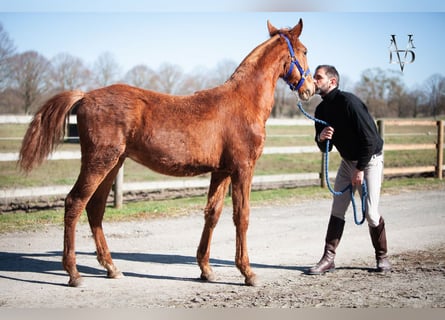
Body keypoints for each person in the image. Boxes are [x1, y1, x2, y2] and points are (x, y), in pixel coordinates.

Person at [307, 65, 391, 275]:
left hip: (369, 160)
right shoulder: (321, 110)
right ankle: (328, 259)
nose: (314, 81)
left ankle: (382, 257)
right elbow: (325, 148)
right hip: (347, 161)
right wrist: (321, 138)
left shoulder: (349, 103)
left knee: (371, 213)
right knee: (337, 209)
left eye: (318, 78)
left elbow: (370, 140)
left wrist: (360, 169)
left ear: (332, 82)